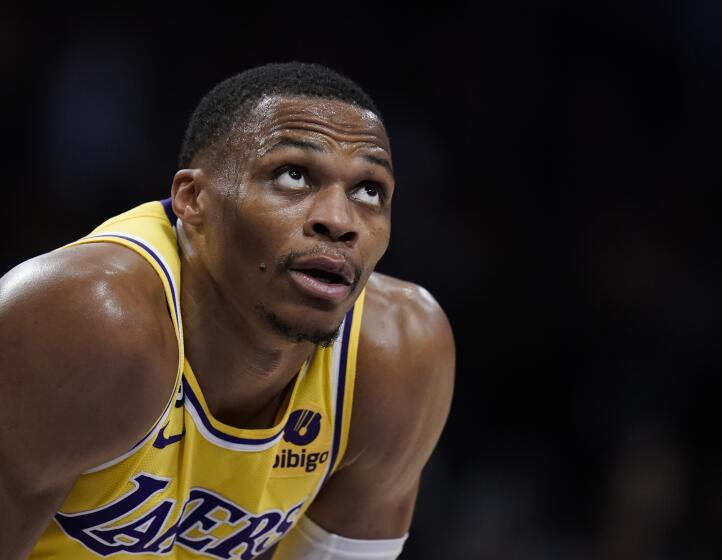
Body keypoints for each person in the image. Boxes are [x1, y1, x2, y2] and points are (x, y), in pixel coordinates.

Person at [0, 62, 455, 559]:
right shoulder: (86, 322)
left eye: (369, 190)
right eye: (294, 175)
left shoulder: (397, 354)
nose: (340, 221)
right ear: (193, 200)